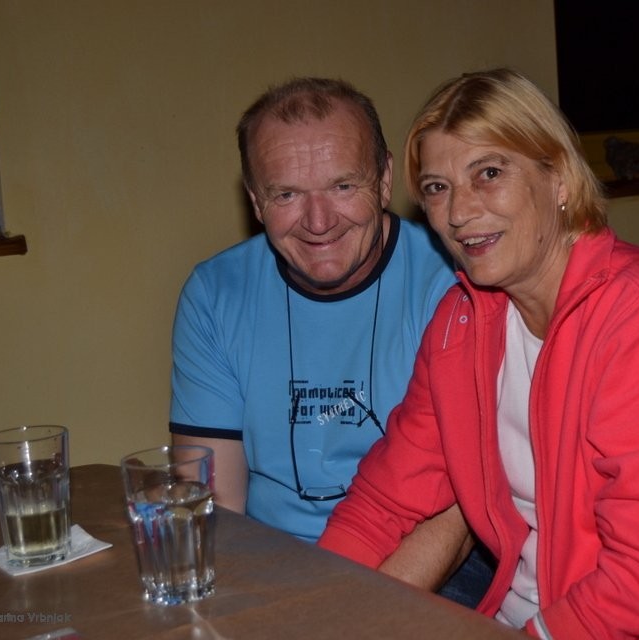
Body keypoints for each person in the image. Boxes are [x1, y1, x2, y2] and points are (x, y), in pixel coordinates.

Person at [318, 69, 639, 639]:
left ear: (558, 177)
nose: (458, 211)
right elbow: (384, 502)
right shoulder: (462, 323)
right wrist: (310, 607)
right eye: (437, 187)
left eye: (489, 173)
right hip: (522, 618)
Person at [169, 77, 492, 605]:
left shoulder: (456, 283)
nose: (318, 222)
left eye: (343, 186)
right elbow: (213, 506)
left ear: (384, 180)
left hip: (423, 559)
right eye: (287, 194)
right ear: (255, 201)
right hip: (270, 561)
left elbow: (464, 509)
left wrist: (343, 613)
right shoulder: (215, 294)